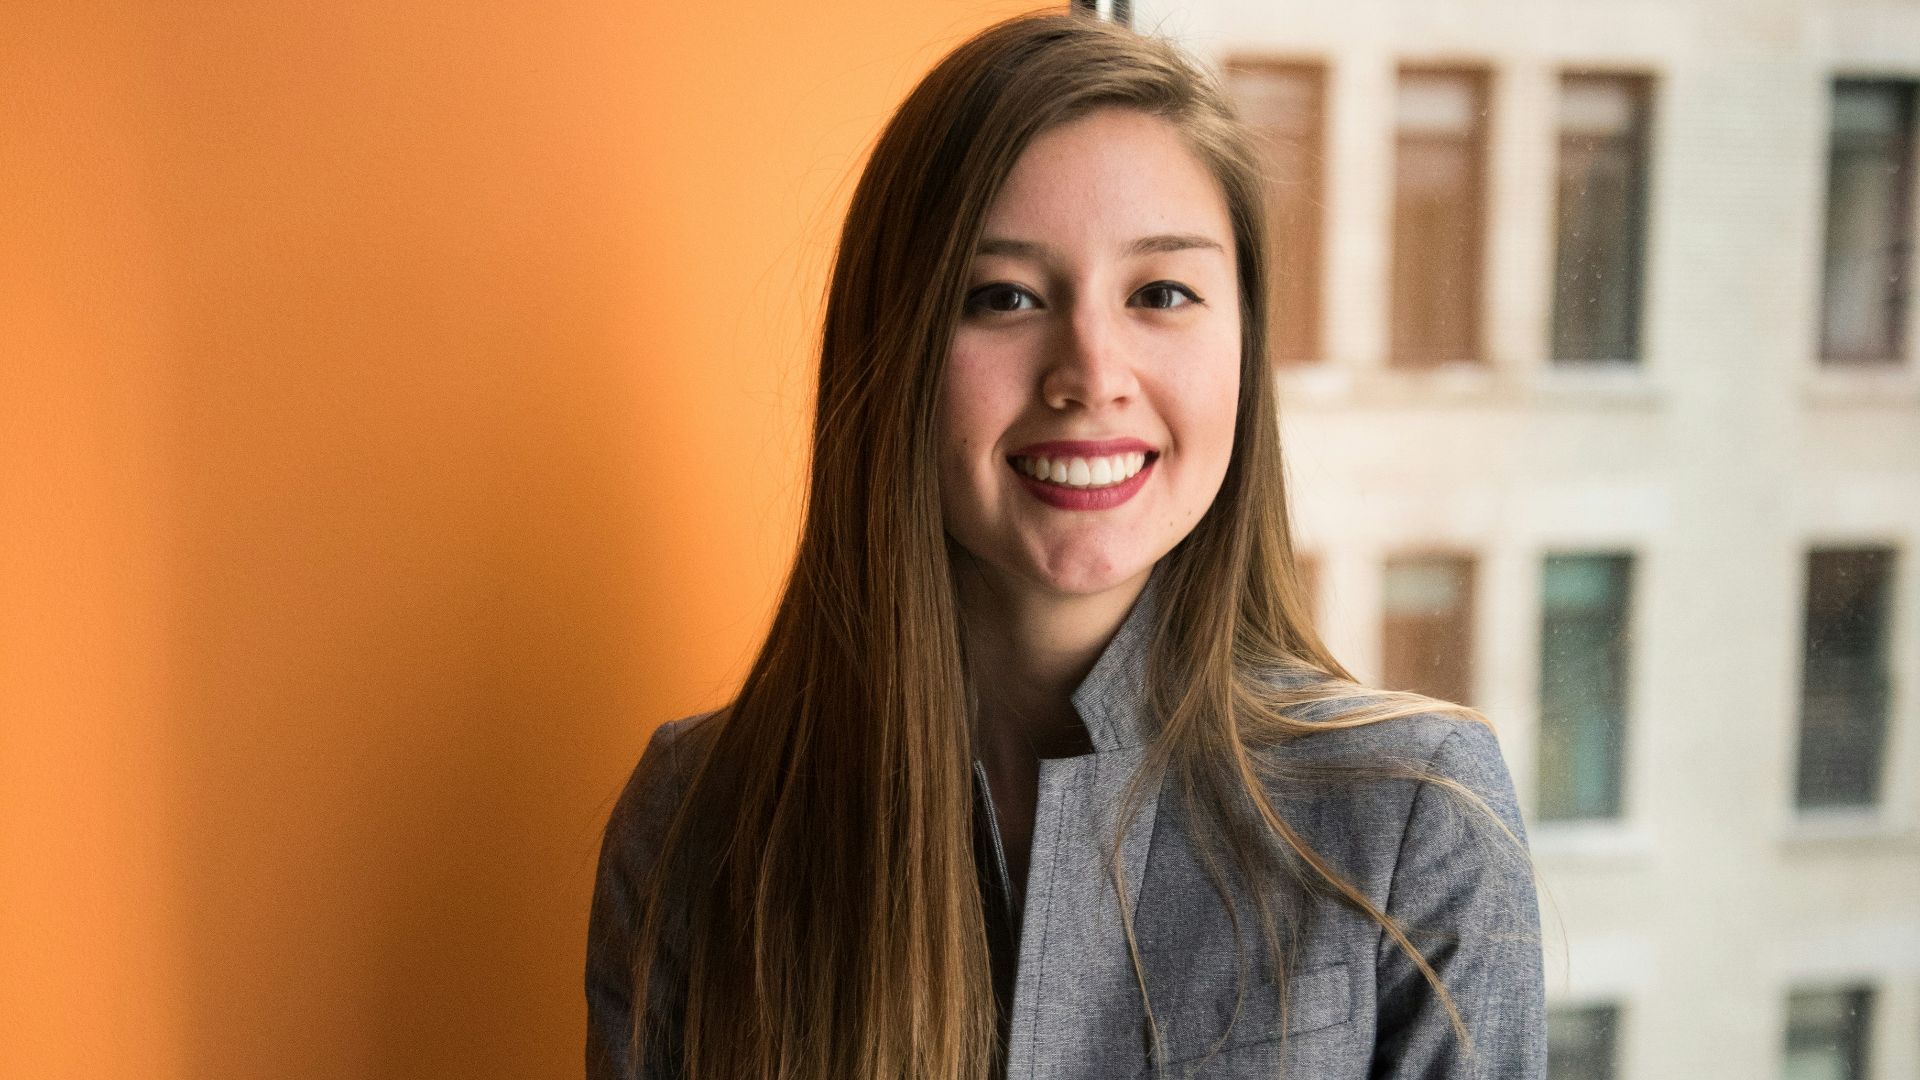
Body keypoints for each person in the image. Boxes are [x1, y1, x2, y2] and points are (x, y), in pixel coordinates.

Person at [586, 11, 1545, 1080]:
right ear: (893, 351)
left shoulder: (1417, 813)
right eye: (1003, 297)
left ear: (1244, 345)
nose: (1090, 373)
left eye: (1161, 294)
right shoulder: (696, 822)